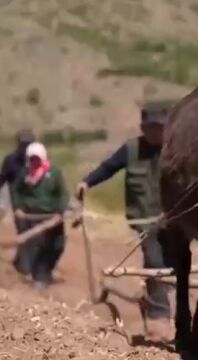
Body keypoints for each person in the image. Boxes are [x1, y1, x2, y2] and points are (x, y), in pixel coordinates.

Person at [75, 103, 174, 343]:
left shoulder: (177, 149)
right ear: (143, 128)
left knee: (176, 264)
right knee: (154, 260)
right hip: (145, 221)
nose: (157, 133)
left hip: (177, 219)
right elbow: (108, 168)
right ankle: (159, 316)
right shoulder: (131, 150)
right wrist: (86, 182)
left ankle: (174, 308)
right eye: (152, 128)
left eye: (161, 128)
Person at [11, 142, 68, 290]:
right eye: (31, 159)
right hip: (31, 216)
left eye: (37, 159)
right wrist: (18, 208)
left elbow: (62, 193)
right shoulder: (24, 173)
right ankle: (40, 277)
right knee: (38, 248)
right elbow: (16, 191)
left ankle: (44, 272)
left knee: (58, 246)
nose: (34, 162)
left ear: (43, 158)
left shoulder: (54, 173)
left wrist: (61, 211)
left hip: (52, 217)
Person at [0, 129, 37, 274]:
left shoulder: (37, 160)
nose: (26, 148)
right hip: (16, 198)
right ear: (18, 145)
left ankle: (19, 260)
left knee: (30, 229)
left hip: (33, 198)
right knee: (23, 227)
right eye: (24, 145)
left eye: (29, 144)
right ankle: (24, 265)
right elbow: (2, 179)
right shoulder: (10, 160)